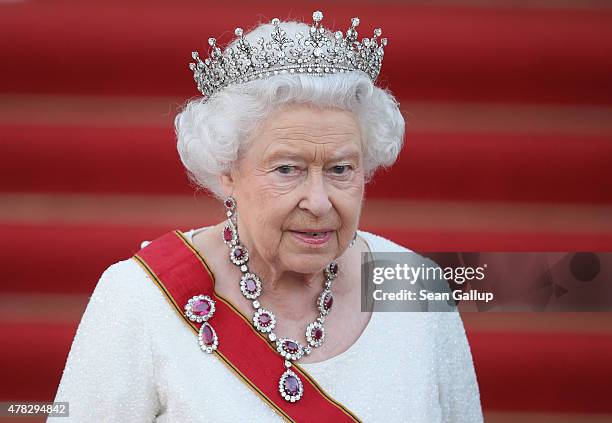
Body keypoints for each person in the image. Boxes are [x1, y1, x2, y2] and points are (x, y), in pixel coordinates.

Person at [49, 11, 482, 422]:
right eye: (287, 169)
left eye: (340, 169)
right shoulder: (139, 297)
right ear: (227, 172)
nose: (318, 201)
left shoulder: (414, 284)